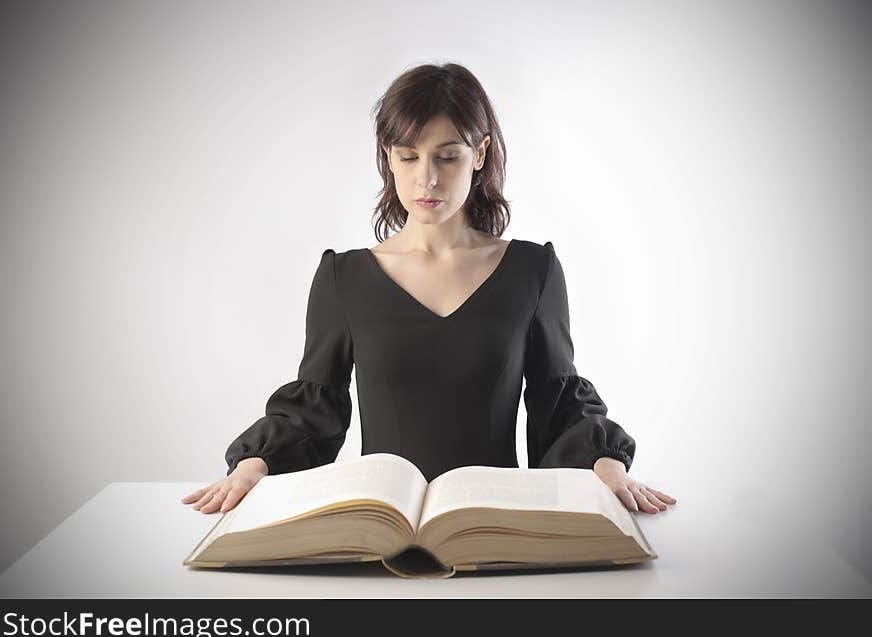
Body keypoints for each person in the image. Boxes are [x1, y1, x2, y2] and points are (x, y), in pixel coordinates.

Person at [182, 62, 676, 518]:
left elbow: (558, 398)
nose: (428, 178)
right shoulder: (344, 279)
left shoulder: (533, 270)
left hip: (494, 526)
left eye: (448, 156)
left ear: (480, 153)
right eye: (408, 155)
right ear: (387, 157)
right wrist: (255, 464)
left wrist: (606, 463)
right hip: (380, 525)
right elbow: (315, 409)